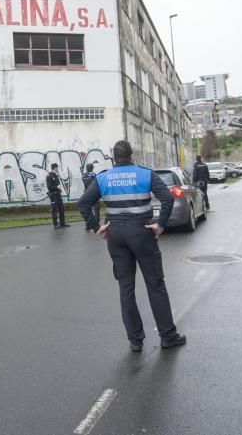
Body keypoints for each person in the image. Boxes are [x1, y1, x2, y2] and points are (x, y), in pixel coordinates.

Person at [78, 140, 187, 353]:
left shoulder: (103, 178)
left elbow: (82, 204)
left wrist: (96, 227)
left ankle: (135, 340)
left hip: (116, 235)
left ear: (113, 157)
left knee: (126, 288)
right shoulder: (145, 174)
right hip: (142, 232)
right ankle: (167, 336)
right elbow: (167, 199)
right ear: (132, 156)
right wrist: (160, 225)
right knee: (155, 284)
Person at [46, 163, 68, 228]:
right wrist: (57, 187)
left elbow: (57, 184)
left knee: (61, 209)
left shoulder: (56, 175)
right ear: (55, 168)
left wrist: (59, 188)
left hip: (58, 194)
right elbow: (49, 187)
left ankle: (62, 223)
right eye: (57, 167)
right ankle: (55, 225)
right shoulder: (49, 176)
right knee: (54, 210)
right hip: (53, 195)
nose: (57, 168)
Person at [81, 163, 101, 231]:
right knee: (96, 209)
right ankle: (97, 223)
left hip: (86, 192)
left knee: (88, 210)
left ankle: (87, 225)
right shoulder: (93, 174)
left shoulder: (83, 175)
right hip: (93, 193)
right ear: (92, 168)